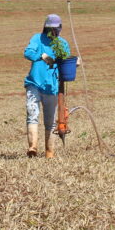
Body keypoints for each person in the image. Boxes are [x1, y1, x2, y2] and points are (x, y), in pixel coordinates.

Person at [23, 14, 70, 158]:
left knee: (50, 122)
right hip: (35, 83)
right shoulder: (37, 38)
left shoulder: (62, 44)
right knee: (32, 114)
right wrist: (41, 56)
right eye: (51, 29)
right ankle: (33, 147)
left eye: (56, 29)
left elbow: (66, 62)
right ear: (46, 28)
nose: (54, 32)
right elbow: (28, 52)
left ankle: (49, 152)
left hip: (52, 87)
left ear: (60, 28)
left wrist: (74, 63)